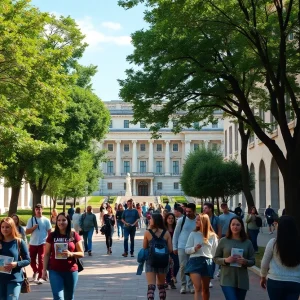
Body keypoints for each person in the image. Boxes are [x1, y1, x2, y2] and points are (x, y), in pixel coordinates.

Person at [42, 212, 84, 300]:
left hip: (71, 271)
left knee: (69, 297)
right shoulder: (52, 236)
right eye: (59, 220)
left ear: (68, 221)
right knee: (58, 297)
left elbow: (81, 253)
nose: (61, 222)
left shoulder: (74, 235)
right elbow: (46, 254)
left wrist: (71, 254)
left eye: (64, 220)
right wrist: (44, 270)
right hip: (55, 271)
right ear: (56, 222)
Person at [214, 217, 255, 300]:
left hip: (242, 279)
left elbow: (253, 261)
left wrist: (245, 261)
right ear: (229, 226)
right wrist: (225, 260)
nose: (235, 227)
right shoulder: (223, 241)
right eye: (233, 224)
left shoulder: (247, 242)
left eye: (237, 225)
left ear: (241, 226)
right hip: (227, 278)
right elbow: (216, 258)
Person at [260, 216, 300, 300]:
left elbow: (265, 263)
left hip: (275, 280)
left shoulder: (273, 243)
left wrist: (263, 276)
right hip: (295, 282)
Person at [185, 214, 218, 300]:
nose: (196, 221)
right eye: (196, 220)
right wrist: (194, 248)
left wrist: (213, 260)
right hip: (194, 261)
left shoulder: (213, 236)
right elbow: (187, 249)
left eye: (198, 220)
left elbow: (215, 252)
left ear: (204, 221)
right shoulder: (193, 234)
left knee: (205, 289)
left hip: (208, 262)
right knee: (198, 287)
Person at [143, 213, 173, 300]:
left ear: (154, 221)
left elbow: (144, 247)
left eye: (151, 219)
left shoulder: (147, 233)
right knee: (161, 286)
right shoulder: (166, 233)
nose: (149, 220)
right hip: (163, 261)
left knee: (151, 286)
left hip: (150, 261)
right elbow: (170, 249)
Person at [0, 217, 30, 299]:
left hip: (14, 279)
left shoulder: (19, 242)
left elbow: (27, 260)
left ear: (12, 228)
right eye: (2, 227)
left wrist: (16, 264)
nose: (4, 229)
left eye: (7, 227)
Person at [173, 203, 197, 294]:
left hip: (193, 247)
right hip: (182, 246)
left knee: (192, 266)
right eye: (186, 211)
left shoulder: (198, 220)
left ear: (194, 211)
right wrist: (175, 246)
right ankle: (183, 285)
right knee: (183, 266)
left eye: (190, 211)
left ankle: (190, 285)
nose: (187, 213)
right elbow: (176, 234)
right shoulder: (181, 220)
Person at [26, 203, 52, 284]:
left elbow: (49, 231)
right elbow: (27, 232)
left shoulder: (46, 220)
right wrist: (33, 228)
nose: (38, 211)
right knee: (30, 259)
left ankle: (40, 276)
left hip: (43, 243)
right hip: (33, 243)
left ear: (42, 210)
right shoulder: (31, 220)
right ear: (35, 211)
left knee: (41, 259)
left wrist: (49, 242)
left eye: (40, 209)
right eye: (37, 209)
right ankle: (36, 271)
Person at [202, 202, 221, 288]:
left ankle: (209, 278)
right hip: (203, 243)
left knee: (211, 261)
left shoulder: (216, 219)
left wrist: (218, 240)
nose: (204, 209)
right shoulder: (201, 218)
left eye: (206, 208)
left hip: (213, 243)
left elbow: (219, 231)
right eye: (203, 208)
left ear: (210, 209)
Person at [164, 212, 180, 289]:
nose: (171, 220)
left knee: (177, 264)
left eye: (172, 218)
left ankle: (172, 278)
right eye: (169, 218)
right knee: (167, 265)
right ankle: (168, 281)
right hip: (165, 249)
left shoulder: (176, 228)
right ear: (166, 219)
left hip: (174, 249)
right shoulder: (163, 229)